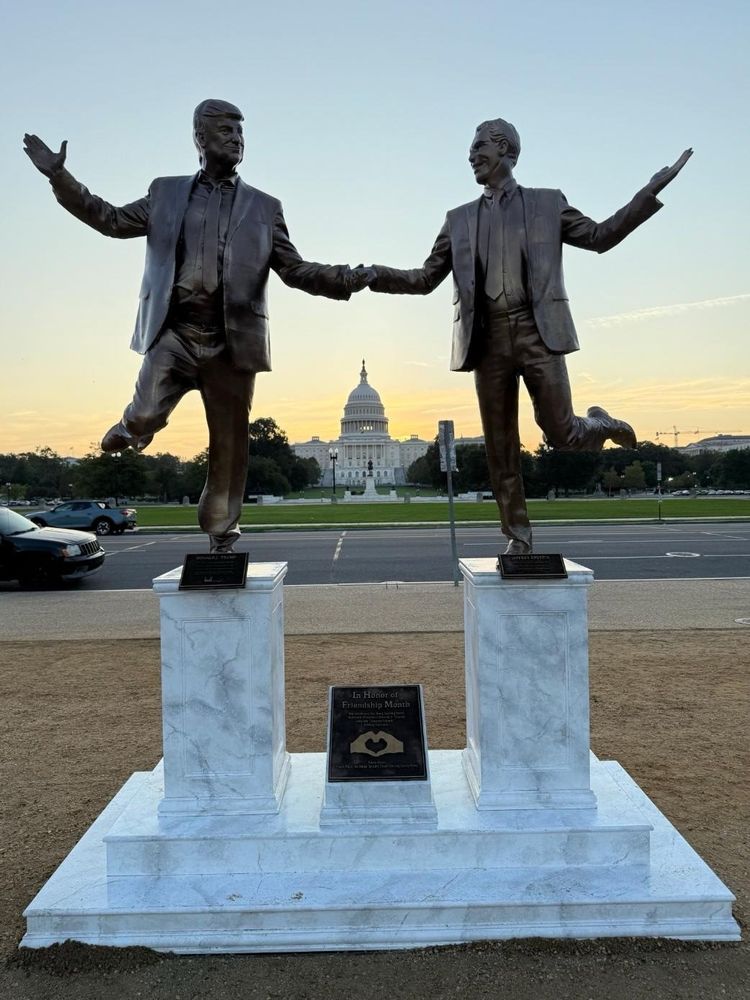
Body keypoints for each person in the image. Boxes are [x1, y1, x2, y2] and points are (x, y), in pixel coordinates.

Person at [24, 99, 369, 552]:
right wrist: (59, 177)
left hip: (231, 342)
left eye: (241, 133)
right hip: (176, 333)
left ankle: (222, 533)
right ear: (200, 138)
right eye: (226, 131)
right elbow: (108, 219)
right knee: (147, 411)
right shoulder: (165, 193)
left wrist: (344, 277)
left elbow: (295, 269)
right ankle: (133, 427)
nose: (236, 139)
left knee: (230, 448)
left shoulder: (266, 208)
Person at [363, 119, 692, 553]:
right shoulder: (458, 219)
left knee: (563, 435)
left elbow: (599, 237)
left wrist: (649, 193)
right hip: (487, 340)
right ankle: (518, 538)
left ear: (505, 150)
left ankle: (601, 423)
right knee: (501, 448)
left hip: (539, 333)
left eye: (478, 146)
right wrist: (373, 275)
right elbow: (425, 278)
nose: (470, 156)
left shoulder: (547, 204)